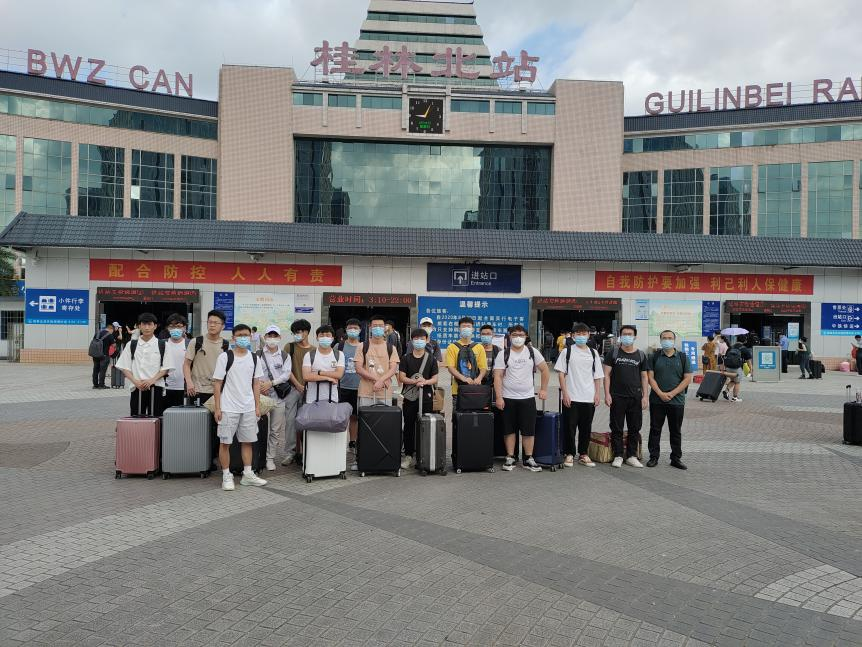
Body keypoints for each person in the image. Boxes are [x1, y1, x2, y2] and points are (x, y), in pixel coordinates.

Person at [211, 324, 267, 491]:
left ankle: (247, 474)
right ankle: (226, 475)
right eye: (240, 335)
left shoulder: (254, 358)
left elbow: (256, 384)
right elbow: (217, 383)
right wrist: (218, 408)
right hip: (228, 407)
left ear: (251, 337)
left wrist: (257, 406)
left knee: (247, 441)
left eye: (246, 335)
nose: (243, 338)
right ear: (233, 338)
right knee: (225, 443)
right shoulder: (225, 357)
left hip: (248, 408)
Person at [493, 324, 550, 472]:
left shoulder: (532, 351)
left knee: (528, 430)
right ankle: (510, 457)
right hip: (508, 398)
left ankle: (528, 458)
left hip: (528, 398)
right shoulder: (503, 354)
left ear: (526, 337)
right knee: (509, 430)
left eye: (521, 335)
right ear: (509, 337)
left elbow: (545, 370)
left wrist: (543, 389)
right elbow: (498, 376)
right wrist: (499, 397)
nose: (518, 338)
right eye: (514, 335)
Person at [555, 322, 603, 468]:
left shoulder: (593, 353)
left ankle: (583, 453)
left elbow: (597, 376)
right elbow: (561, 374)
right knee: (569, 427)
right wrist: (565, 393)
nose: (581, 336)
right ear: (573, 336)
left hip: (588, 396)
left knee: (586, 427)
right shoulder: (567, 352)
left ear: (589, 335)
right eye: (578, 334)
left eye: (584, 334)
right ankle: (569, 453)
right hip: (571, 396)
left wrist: (597, 394)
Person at [258, 325, 303, 472]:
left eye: (275, 336)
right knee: (258, 428)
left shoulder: (284, 356)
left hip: (278, 397)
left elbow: (286, 374)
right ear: (265, 337)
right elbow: (252, 372)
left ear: (279, 338)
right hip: (261, 397)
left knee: (275, 430)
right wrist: (260, 386)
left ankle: (270, 458)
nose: (272, 339)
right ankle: (258, 457)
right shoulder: (257, 354)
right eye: (269, 336)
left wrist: (270, 383)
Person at [603, 324, 648, 468]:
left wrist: (645, 396)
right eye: (624, 334)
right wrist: (607, 394)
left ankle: (631, 456)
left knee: (635, 427)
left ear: (635, 337)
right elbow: (606, 375)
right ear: (620, 336)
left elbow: (644, 377)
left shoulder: (641, 355)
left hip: (635, 397)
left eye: (630, 334)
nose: (627, 337)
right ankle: (618, 455)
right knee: (616, 427)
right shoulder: (614, 353)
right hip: (617, 396)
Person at [646, 330, 692, 470]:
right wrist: (660, 393)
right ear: (660, 340)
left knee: (675, 430)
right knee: (655, 429)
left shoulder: (683, 357)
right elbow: (650, 377)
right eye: (664, 338)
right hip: (657, 400)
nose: (667, 340)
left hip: (677, 401)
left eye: (670, 338)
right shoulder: (654, 357)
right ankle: (654, 457)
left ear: (674, 340)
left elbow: (687, 379)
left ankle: (676, 458)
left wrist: (672, 393)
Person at [115, 313, 173, 417]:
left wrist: (151, 380)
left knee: (156, 418)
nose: (147, 327)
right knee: (136, 419)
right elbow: (124, 367)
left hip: (156, 387)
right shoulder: (131, 345)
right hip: (137, 387)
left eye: (150, 324)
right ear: (139, 326)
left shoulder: (163, 345)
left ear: (155, 326)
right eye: (144, 324)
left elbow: (166, 368)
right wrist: (135, 381)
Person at [398, 327, 439, 469]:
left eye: (422, 339)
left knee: (425, 425)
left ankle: (424, 455)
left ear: (427, 340)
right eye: (416, 339)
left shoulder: (431, 359)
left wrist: (425, 382)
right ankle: (408, 455)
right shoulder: (406, 358)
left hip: (426, 397)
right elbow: (401, 377)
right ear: (411, 341)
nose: (419, 341)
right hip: (410, 397)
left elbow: (435, 378)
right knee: (409, 426)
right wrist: (414, 381)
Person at [282, 319, 314, 465]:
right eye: (295, 332)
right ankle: (291, 452)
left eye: (300, 331)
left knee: (307, 421)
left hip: (310, 391)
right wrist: (297, 385)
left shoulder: (314, 350)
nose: (298, 334)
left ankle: (307, 451)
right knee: (290, 422)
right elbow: (286, 369)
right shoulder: (289, 347)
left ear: (307, 332)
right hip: (293, 390)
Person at [183, 310, 229, 406]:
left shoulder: (226, 345)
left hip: (218, 390)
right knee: (198, 416)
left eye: (216, 323)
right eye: (210, 322)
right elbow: (186, 364)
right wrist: (189, 382)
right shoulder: (196, 342)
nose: (212, 325)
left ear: (223, 326)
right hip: (197, 390)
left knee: (217, 415)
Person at [355, 314, 400, 409]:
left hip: (385, 392)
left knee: (385, 417)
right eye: (375, 326)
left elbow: (393, 369)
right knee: (366, 417)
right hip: (366, 392)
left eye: (380, 326)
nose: (378, 328)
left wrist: (381, 381)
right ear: (370, 328)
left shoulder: (391, 348)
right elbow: (358, 368)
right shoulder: (362, 346)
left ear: (384, 328)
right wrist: (379, 380)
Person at [445, 317, 488, 414]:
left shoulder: (479, 347)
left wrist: (479, 378)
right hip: (458, 390)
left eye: (468, 326)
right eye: (463, 326)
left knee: (475, 418)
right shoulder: (452, 347)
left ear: (473, 329)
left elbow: (483, 367)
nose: (466, 329)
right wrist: (464, 379)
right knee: (458, 418)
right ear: (459, 329)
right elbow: (451, 367)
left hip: (475, 389)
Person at [302, 324, 346, 406]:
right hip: (312, 400)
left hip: (332, 399)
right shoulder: (309, 355)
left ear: (332, 338)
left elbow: (339, 374)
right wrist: (328, 378)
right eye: (321, 335)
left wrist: (318, 373)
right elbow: (306, 376)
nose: (325, 337)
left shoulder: (339, 354)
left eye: (328, 335)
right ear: (317, 338)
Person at [337, 318, 363, 450]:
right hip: (341, 387)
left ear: (360, 330)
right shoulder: (339, 346)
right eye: (350, 328)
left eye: (355, 328)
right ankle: (340, 441)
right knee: (341, 416)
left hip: (359, 387)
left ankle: (352, 441)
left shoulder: (363, 347)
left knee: (355, 417)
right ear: (346, 330)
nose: (352, 330)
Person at [162, 314, 190, 410]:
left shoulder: (190, 344)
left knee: (182, 416)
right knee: (163, 415)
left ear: (184, 328)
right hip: (164, 387)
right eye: (172, 326)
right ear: (167, 328)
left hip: (184, 388)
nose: (175, 329)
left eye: (178, 326)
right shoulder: (161, 344)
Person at [90, 323, 114, 389]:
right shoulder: (109, 335)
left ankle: (95, 385)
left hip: (96, 354)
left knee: (95, 369)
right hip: (104, 355)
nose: (112, 332)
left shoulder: (97, 333)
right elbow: (113, 345)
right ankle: (101, 385)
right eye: (112, 330)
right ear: (111, 329)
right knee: (102, 370)